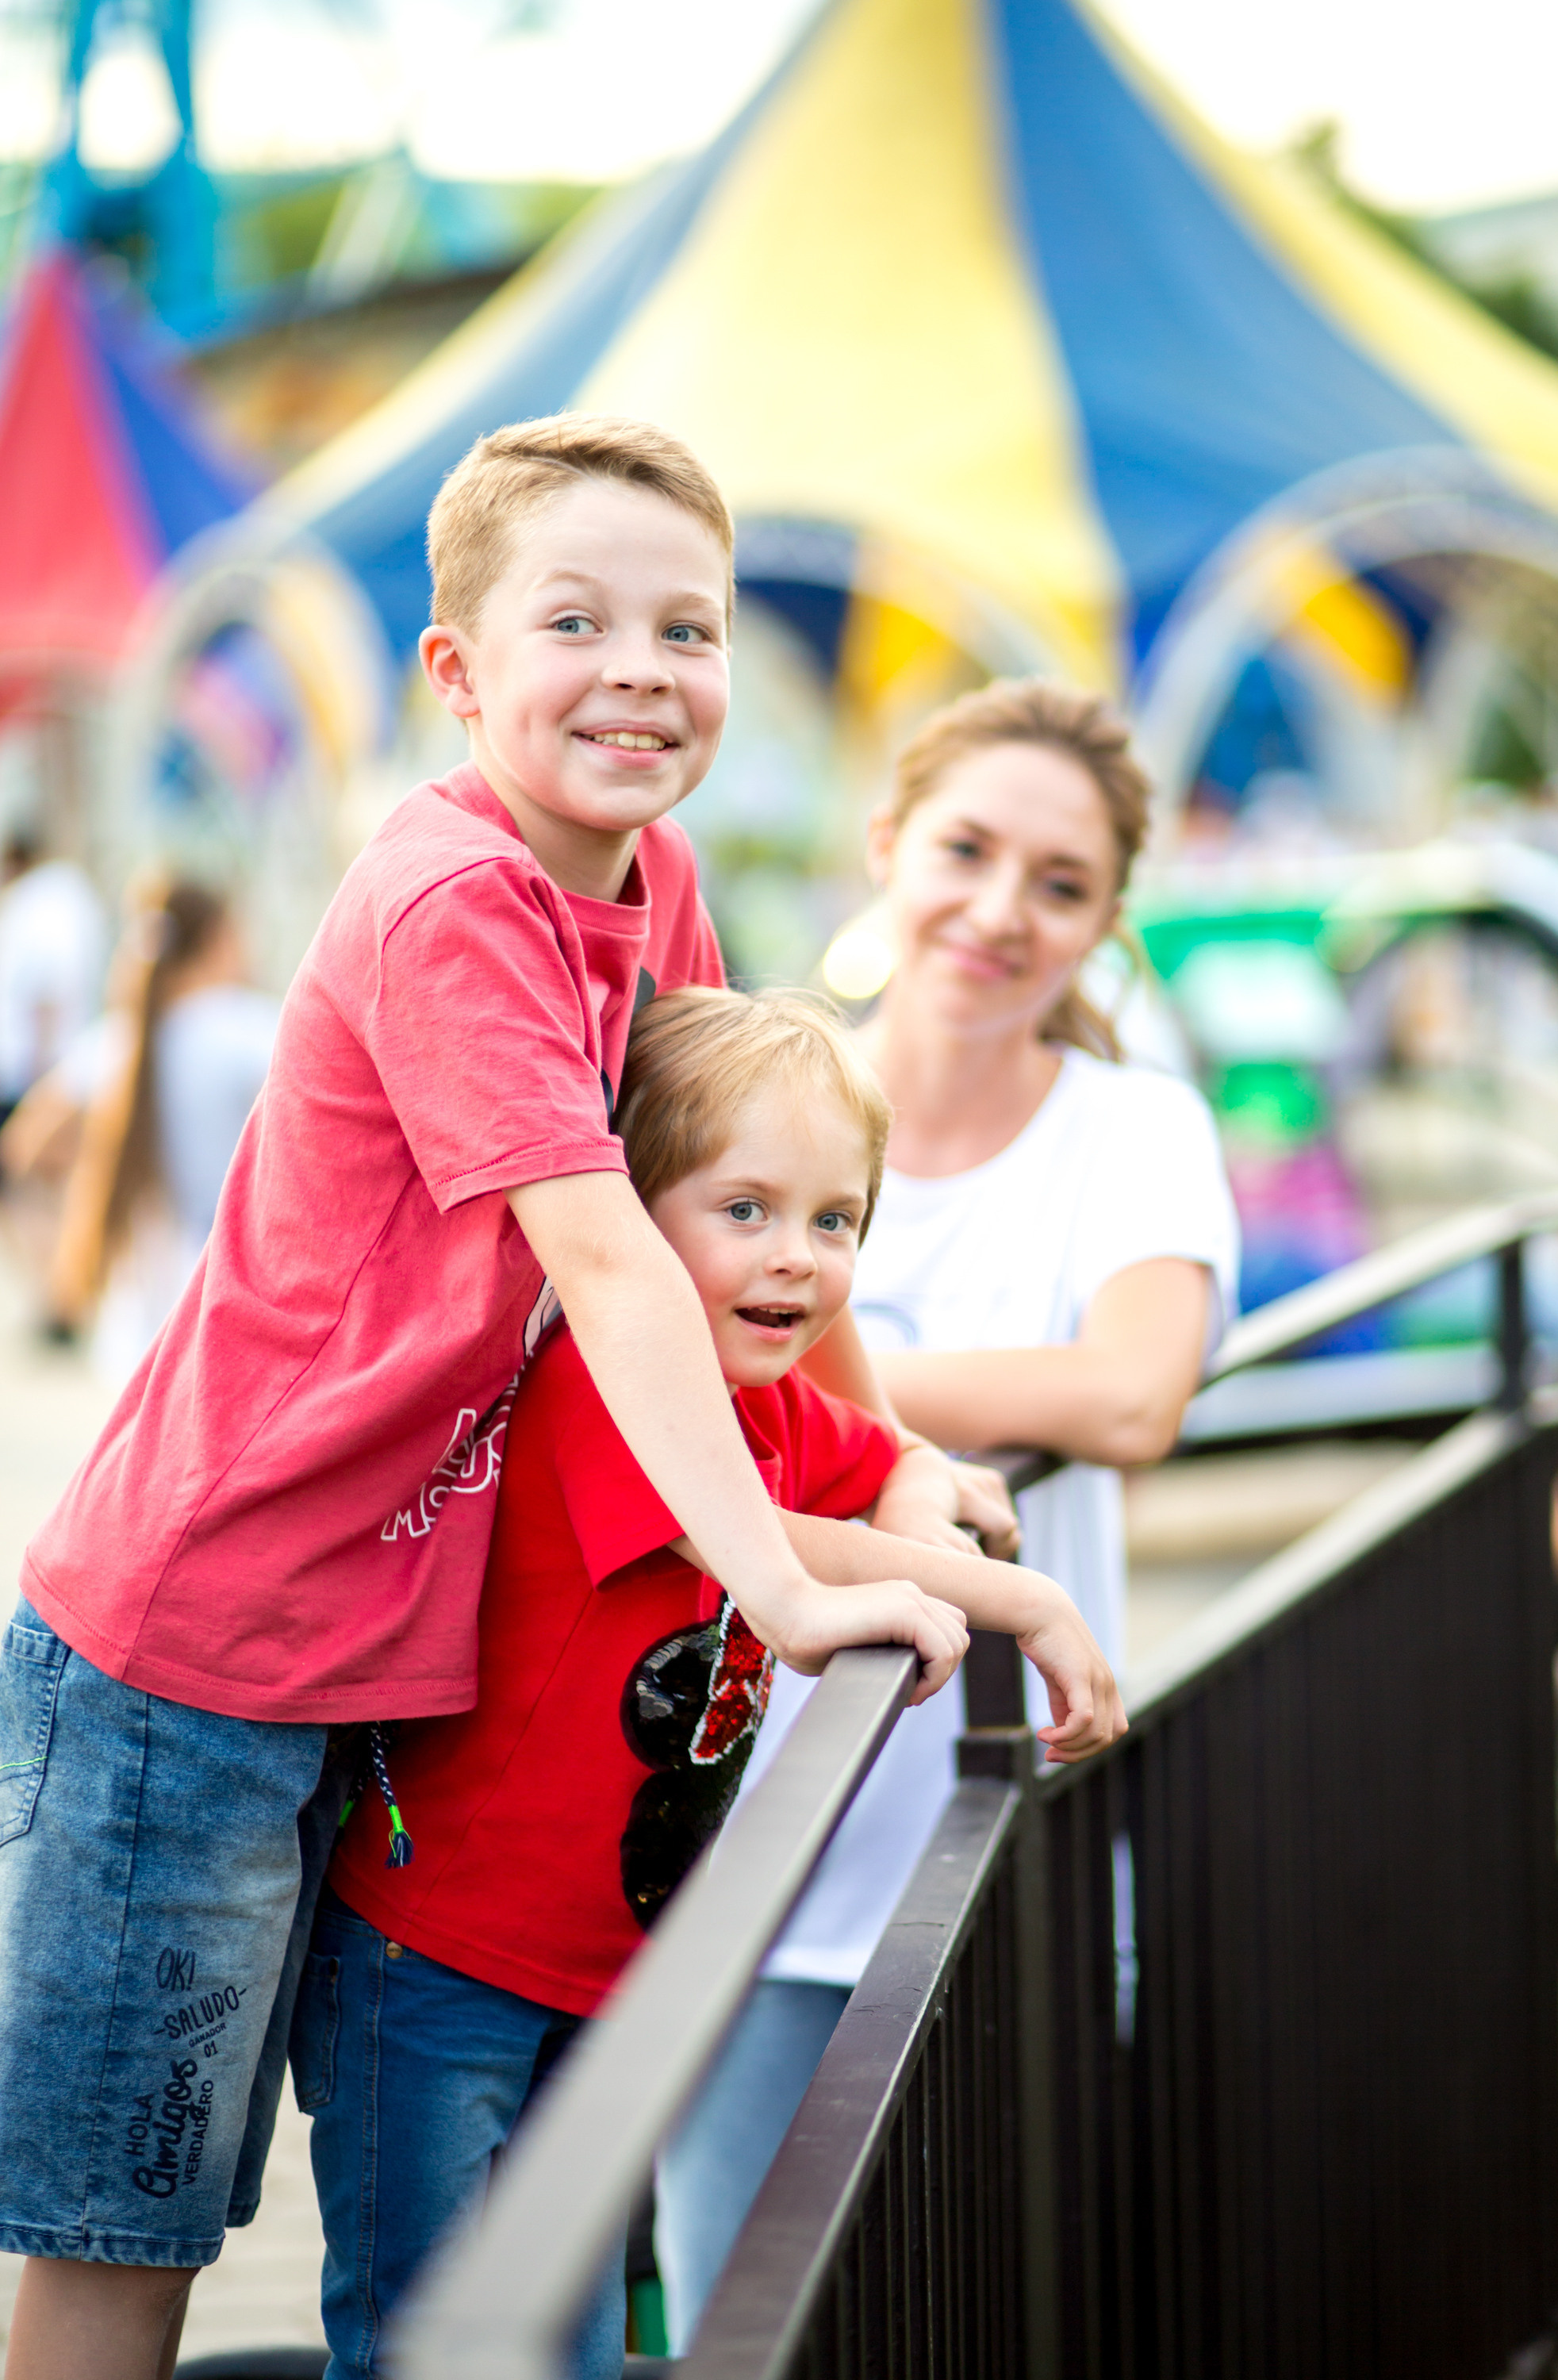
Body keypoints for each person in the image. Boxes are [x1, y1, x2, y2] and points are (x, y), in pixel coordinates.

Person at [0, 416, 996, 2380]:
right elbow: (612, 1255)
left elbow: (742, 1194)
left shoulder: (655, 874)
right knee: (130, 2223)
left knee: (379, 2186)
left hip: (381, 1670)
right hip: (192, 1654)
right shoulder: (454, 898)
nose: (641, 666)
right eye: (577, 620)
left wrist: (890, 1463)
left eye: (687, 628)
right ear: (456, 671)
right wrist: (793, 1590)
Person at [291, 985, 1123, 2380]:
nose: (795, 1260)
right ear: (629, 1217)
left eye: (834, 1220)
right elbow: (771, 1534)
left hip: (608, 1967)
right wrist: (1020, 1597)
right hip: (432, 1959)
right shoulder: (609, 1384)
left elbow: (880, 1458)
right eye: (743, 1211)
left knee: (581, 2331)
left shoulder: (774, 1397)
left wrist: (922, 1493)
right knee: (430, 2334)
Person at [657, 679, 1240, 2344]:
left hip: (991, 1834)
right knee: (743, 2323)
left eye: (1057, 882)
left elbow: (1131, 1394)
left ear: (1105, 918)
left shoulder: (1130, 1130)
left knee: (992, 2306)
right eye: (965, 851)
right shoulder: (756, 1100)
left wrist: (815, 1406)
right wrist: (913, 1421)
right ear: (885, 847)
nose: (999, 911)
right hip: (745, 1838)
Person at [2, 878, 279, 1380]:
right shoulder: (245, 1029)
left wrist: (101, 1157)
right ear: (219, 940)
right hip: (228, 1307)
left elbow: (25, 1144)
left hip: (134, 1325)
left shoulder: (117, 1042)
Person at [0, 831, 106, 1127]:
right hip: (62, 1067)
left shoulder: (38, 902)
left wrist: (37, 1089)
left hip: (32, 1075)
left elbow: (44, 996)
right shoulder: (70, 894)